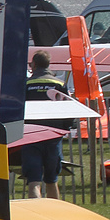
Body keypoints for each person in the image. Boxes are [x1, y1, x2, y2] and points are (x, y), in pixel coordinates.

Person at [23, 51, 69, 199]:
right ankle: (54, 215)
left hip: (31, 136)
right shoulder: (60, 84)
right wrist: (64, 129)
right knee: (52, 179)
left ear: (34, 65)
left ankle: (35, 215)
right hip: (53, 136)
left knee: (34, 180)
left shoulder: (26, 84)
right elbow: (69, 109)